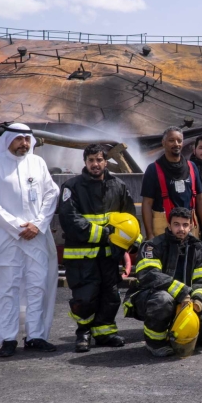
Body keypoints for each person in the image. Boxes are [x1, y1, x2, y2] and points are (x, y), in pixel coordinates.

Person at [0, 123, 60, 357]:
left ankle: (36, 336)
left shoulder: (38, 163)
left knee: (38, 286)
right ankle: (7, 338)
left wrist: (38, 224)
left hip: (36, 237)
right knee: (6, 287)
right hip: (6, 239)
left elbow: (51, 194)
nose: (24, 143)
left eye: (27, 139)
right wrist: (16, 227)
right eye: (19, 139)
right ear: (8, 140)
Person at [57, 143, 138, 352]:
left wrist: (133, 243)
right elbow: (69, 220)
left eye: (99, 160)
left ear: (106, 162)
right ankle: (83, 333)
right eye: (91, 160)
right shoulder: (71, 187)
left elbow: (130, 218)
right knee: (85, 297)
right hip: (81, 258)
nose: (95, 164)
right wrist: (105, 235)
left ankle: (105, 333)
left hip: (109, 257)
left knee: (110, 297)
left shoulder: (118, 186)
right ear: (85, 162)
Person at [127, 207, 202, 357]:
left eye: (185, 225)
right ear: (169, 225)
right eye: (176, 224)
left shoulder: (196, 248)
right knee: (164, 300)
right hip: (151, 296)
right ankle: (155, 342)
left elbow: (201, 280)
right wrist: (182, 292)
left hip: (186, 299)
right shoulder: (152, 246)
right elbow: (149, 274)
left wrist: (198, 301)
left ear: (191, 226)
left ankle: (180, 336)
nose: (181, 229)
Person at [140, 128, 202, 240]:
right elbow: (147, 203)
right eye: (171, 140)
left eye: (179, 141)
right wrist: (150, 234)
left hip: (189, 225)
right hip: (163, 225)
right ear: (163, 143)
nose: (176, 144)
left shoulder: (192, 167)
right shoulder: (153, 169)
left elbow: (200, 198)